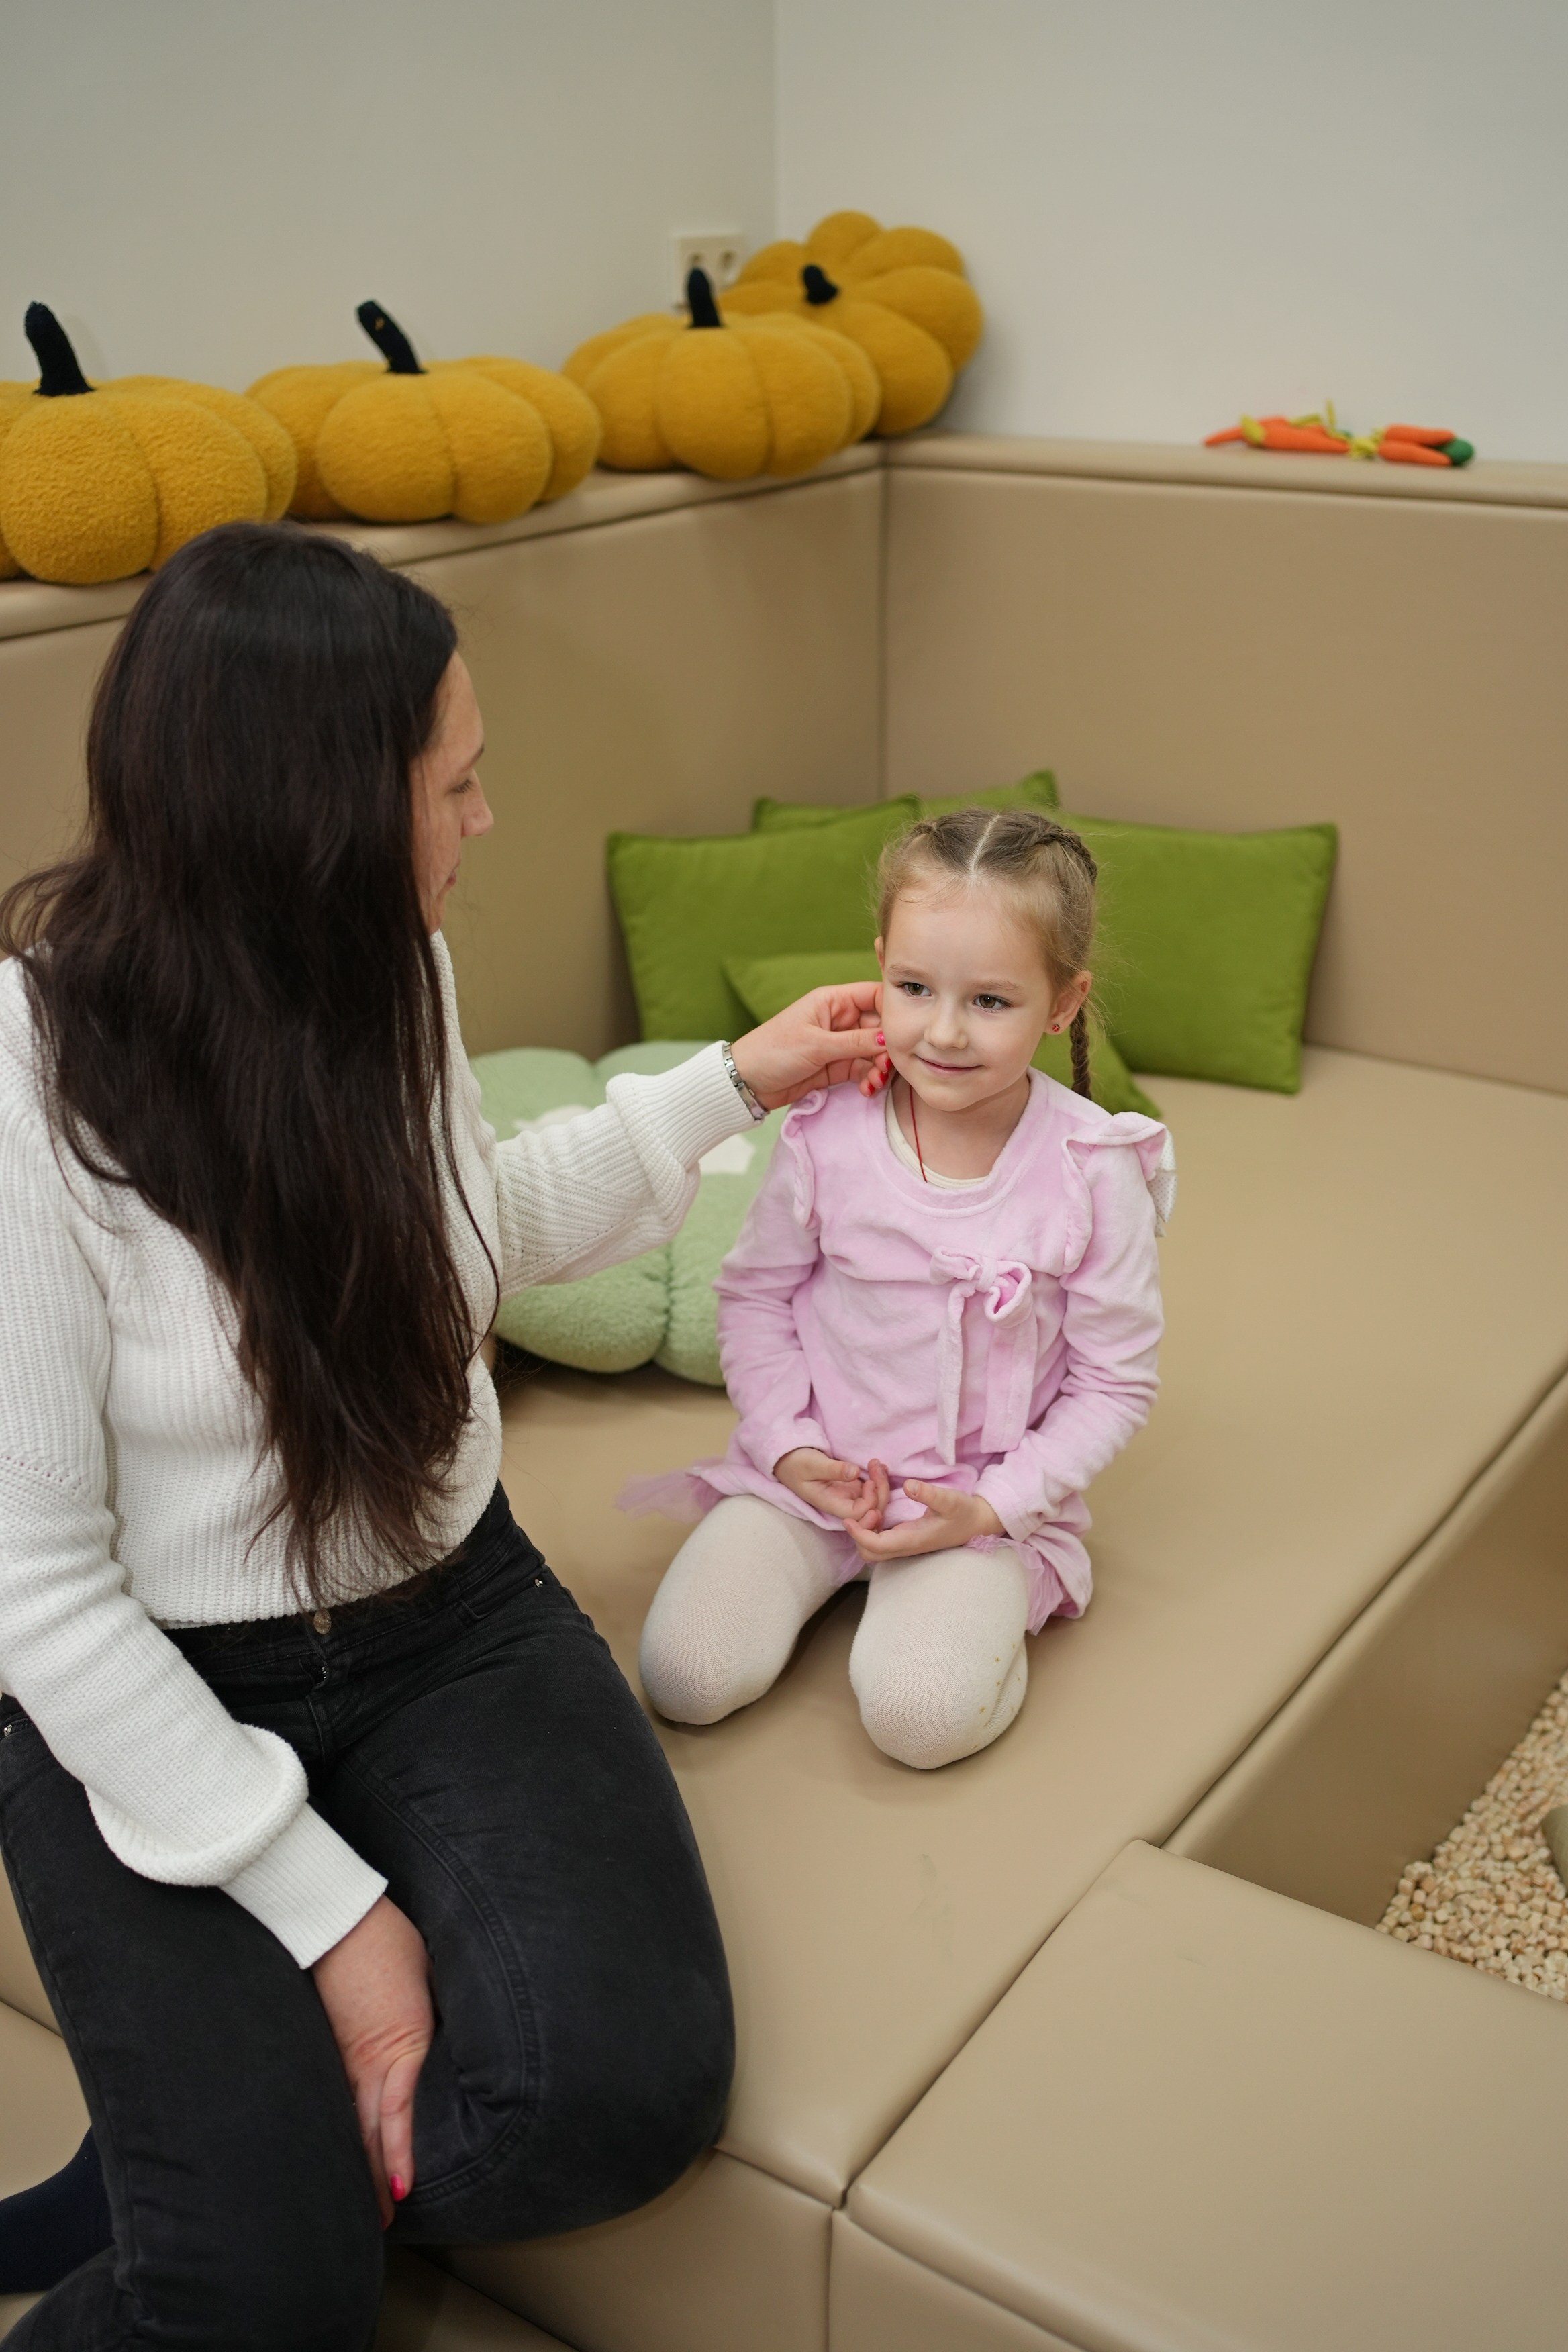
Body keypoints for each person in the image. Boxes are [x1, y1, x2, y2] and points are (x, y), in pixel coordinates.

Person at [0, 520, 884, 2348]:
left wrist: (734, 1084)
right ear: (314, 813)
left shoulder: (387, 968)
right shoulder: (24, 1077)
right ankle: (222, 2214)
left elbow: (464, 1228)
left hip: (445, 1614)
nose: (486, 821)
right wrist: (335, 1922)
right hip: (135, 1679)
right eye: (457, 783)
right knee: (265, 2295)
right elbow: (36, 1600)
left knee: (618, 2093)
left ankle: (196, 2173)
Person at [636, 807, 1177, 1769]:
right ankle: (827, 1566)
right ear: (879, 961)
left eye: (991, 1002)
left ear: (1063, 1002)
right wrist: (788, 1445)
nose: (942, 1033)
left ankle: (976, 1605)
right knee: (685, 1680)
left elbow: (1114, 1383)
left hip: (975, 1502)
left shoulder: (1098, 1169)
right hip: (814, 1477)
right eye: (914, 987)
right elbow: (756, 1297)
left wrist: (998, 1508)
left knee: (918, 1721)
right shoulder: (825, 1130)